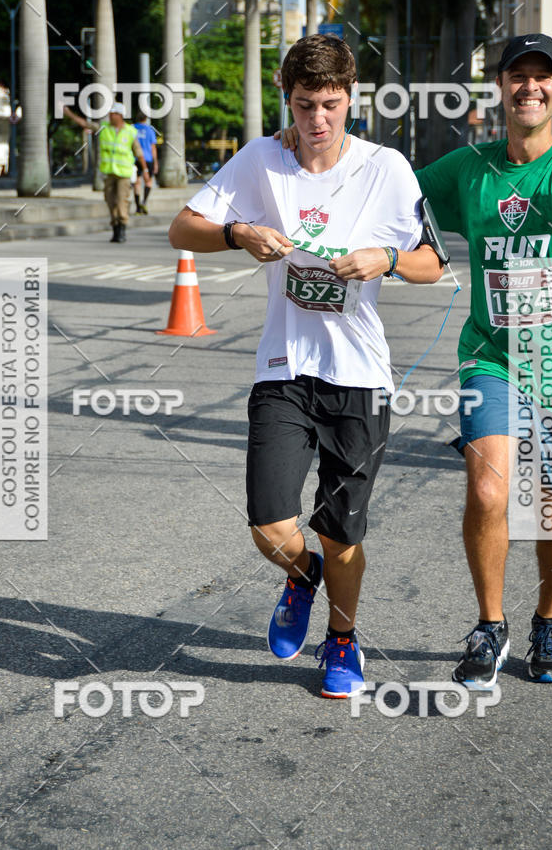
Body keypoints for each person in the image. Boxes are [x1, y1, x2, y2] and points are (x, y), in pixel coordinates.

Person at [169, 34, 443, 698]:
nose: (316, 121)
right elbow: (182, 229)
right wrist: (238, 234)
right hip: (283, 368)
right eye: (302, 105)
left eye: (329, 104)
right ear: (285, 101)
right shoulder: (263, 160)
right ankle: (299, 575)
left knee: (341, 533)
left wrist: (387, 258)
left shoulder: (387, 168)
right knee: (270, 522)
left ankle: (342, 641)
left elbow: (433, 265)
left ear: (351, 100)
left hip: (359, 378)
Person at [415, 33, 552, 689]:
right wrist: (311, 148)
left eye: (544, 77)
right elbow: (390, 188)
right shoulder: (468, 169)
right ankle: (490, 623)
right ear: (501, 87)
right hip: (494, 359)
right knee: (489, 489)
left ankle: (548, 618)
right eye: (518, 75)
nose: (530, 87)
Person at [63, 101, 151, 243]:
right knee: (110, 200)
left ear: (120, 115)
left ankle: (122, 228)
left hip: (124, 174)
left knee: (122, 200)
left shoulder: (130, 131)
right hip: (109, 173)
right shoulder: (103, 128)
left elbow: (139, 152)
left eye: (113, 114)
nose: (110, 116)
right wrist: (69, 114)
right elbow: (85, 124)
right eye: (110, 113)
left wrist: (145, 170)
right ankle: (115, 226)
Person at [133, 111, 158, 215]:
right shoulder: (149, 130)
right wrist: (156, 162)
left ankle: (138, 207)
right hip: (148, 159)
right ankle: (144, 202)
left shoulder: (132, 128)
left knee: (137, 183)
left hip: (135, 159)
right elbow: (153, 148)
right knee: (148, 182)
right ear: (145, 119)